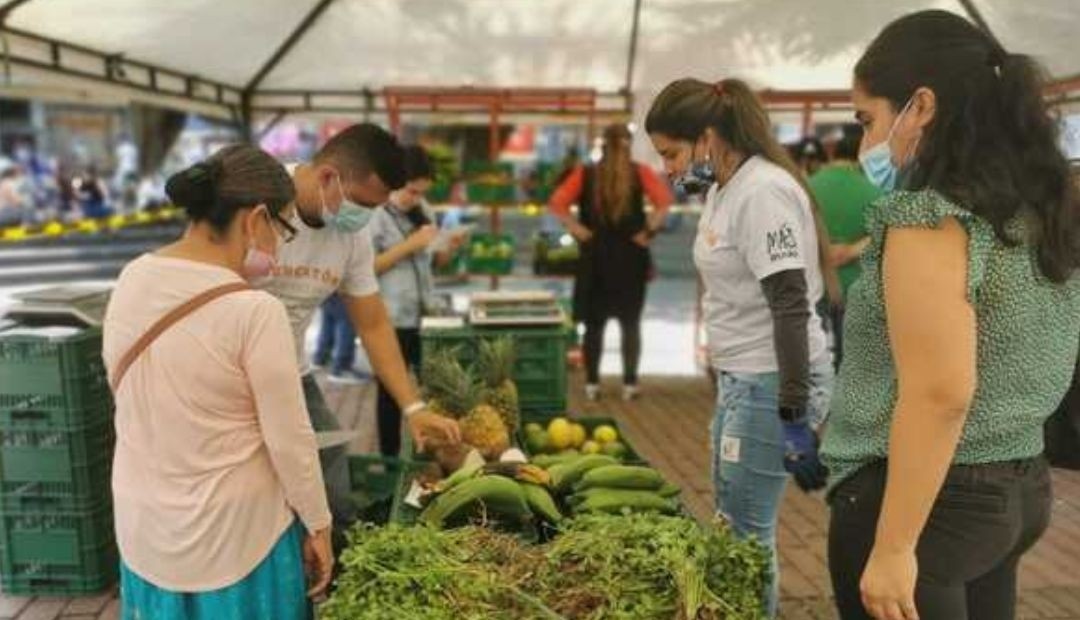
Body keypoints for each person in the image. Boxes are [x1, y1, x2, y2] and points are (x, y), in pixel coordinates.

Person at [819, 11, 1080, 620]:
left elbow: (941, 392)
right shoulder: (1038, 209)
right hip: (1017, 487)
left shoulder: (929, 218)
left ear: (922, 106)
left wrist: (893, 547)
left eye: (867, 119)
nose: (865, 144)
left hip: (930, 501)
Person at [102, 145, 332, 618]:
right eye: (283, 229)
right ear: (256, 219)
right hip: (237, 538)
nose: (280, 246)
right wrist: (319, 524)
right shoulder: (255, 312)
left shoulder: (132, 278)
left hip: (146, 526)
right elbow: (289, 440)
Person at [646, 78, 838, 617]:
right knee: (732, 524)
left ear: (707, 138)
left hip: (770, 382)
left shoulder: (762, 193)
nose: (667, 169)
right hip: (744, 380)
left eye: (671, 153)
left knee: (746, 536)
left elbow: (790, 306)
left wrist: (794, 416)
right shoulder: (723, 189)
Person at [261, 123, 461, 534]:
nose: (366, 217)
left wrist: (413, 408)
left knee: (330, 463)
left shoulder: (352, 236)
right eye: (363, 204)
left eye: (377, 206)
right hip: (228, 375)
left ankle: (336, 551)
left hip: (292, 372)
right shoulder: (258, 200)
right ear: (327, 176)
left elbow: (372, 323)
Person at [548, 124, 673, 402]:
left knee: (594, 324)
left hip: (595, 256)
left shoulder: (585, 173)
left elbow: (557, 203)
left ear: (602, 144)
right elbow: (664, 202)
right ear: (630, 144)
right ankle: (630, 383)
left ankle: (592, 384)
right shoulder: (640, 172)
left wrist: (578, 230)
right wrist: (648, 231)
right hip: (631, 256)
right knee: (631, 323)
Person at [369, 145, 464, 456]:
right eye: (411, 191)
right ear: (395, 181)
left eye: (422, 192)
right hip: (390, 317)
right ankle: (389, 459)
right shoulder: (375, 215)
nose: (416, 198)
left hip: (426, 313)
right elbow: (366, 268)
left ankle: (433, 454)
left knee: (434, 388)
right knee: (390, 392)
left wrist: (448, 248)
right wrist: (410, 245)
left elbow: (431, 262)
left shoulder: (424, 209)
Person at [809, 125, 883, 368]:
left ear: (833, 154)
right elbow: (887, 235)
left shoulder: (806, 187)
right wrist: (851, 250)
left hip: (815, 281)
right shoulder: (874, 191)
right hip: (856, 285)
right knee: (851, 358)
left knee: (814, 354)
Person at [312, 293, 362, 384]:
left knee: (329, 319)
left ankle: (321, 359)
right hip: (343, 291)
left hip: (326, 290)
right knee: (347, 320)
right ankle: (341, 368)